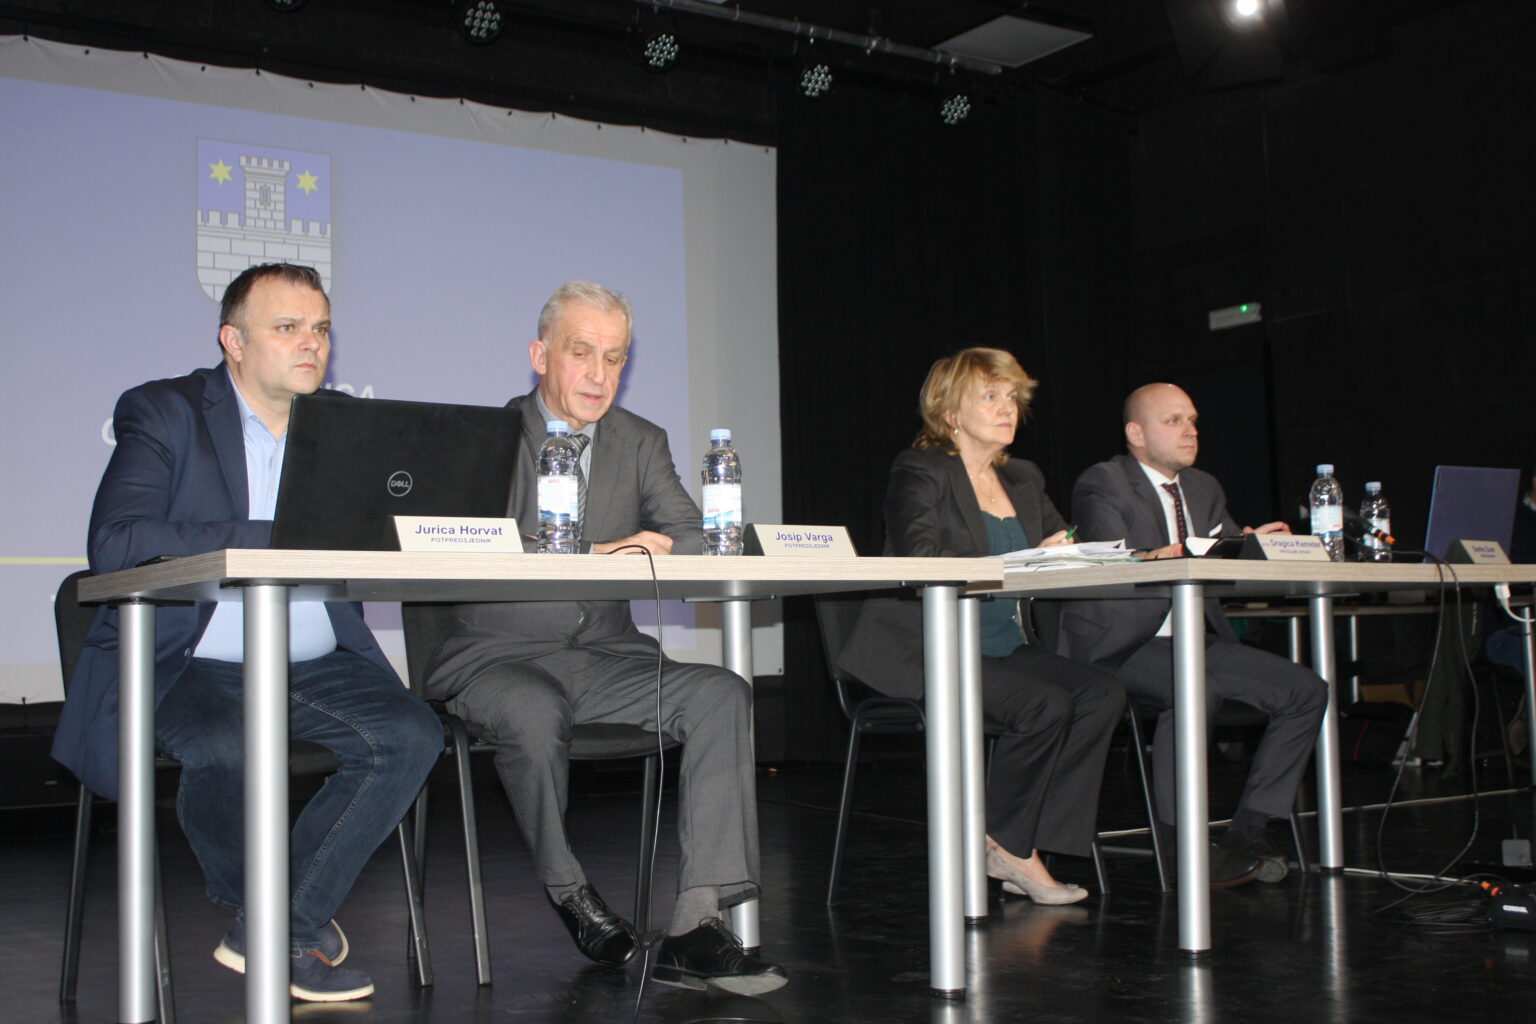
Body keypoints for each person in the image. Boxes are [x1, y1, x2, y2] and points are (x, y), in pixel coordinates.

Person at [51, 263, 443, 1001]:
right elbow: (116, 542)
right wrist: (276, 535)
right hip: (191, 659)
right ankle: (286, 931)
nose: (311, 343)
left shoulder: (348, 426)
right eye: (287, 327)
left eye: (320, 328)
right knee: (228, 748)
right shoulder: (165, 412)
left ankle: (274, 926)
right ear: (233, 341)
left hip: (314, 659)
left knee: (411, 734)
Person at [423, 281, 787, 996]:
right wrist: (603, 552)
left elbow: (694, 534)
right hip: (499, 657)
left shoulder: (639, 440)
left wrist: (655, 546)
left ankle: (695, 925)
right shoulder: (487, 438)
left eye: (614, 358)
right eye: (581, 353)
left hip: (606, 658)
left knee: (721, 693)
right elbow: (464, 541)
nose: (598, 374)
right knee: (534, 712)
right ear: (540, 356)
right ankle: (569, 890)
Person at [837, 348, 1125, 903]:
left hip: (1005, 645)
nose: (1006, 407)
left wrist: (1087, 552)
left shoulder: (1022, 477)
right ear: (950, 413)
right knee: (1045, 705)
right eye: (990, 396)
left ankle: (1014, 841)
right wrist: (1019, 560)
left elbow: (1062, 545)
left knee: (1102, 693)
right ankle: (1013, 849)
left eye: (1012, 397)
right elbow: (920, 557)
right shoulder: (920, 470)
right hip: (930, 647)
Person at [1058, 382, 1328, 887]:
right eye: (1174, 421)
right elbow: (1110, 554)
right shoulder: (1103, 481)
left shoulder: (1204, 488)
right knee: (1195, 688)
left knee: (1305, 690)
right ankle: (1181, 841)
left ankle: (1248, 830)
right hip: (1121, 642)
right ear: (1136, 434)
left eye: (1193, 421)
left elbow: (1223, 552)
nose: (1190, 431)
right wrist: (1187, 550)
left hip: (1192, 639)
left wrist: (1253, 546)